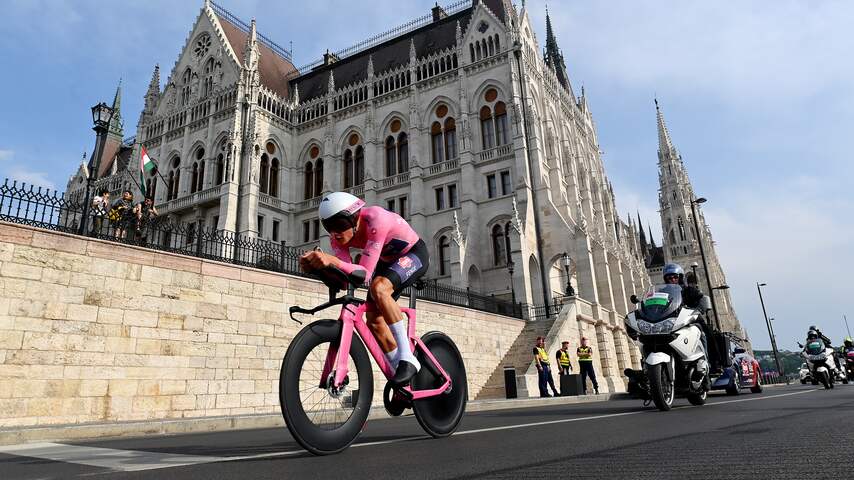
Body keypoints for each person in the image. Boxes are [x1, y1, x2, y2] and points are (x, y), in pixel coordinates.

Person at [298, 192, 429, 387]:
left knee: (380, 288)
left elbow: (365, 274)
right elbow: (348, 279)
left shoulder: (376, 220)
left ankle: (407, 357)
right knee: (374, 321)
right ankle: (401, 380)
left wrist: (331, 260)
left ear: (354, 217)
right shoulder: (337, 240)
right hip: (387, 262)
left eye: (340, 225)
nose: (335, 233)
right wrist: (320, 269)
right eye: (329, 227)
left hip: (413, 254)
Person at [663, 263, 716, 369]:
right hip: (672, 321)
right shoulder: (663, 292)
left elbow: (701, 299)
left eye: (675, 277)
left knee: (703, 334)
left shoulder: (689, 290)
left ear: (680, 277)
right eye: (669, 278)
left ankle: (708, 362)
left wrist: (698, 310)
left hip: (690, 318)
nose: (672, 280)